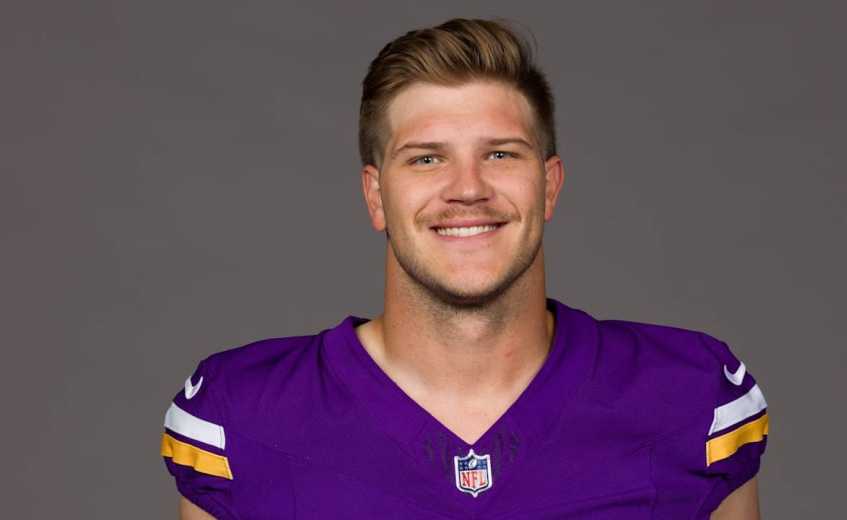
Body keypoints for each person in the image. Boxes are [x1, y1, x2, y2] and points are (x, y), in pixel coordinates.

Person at [161, 17, 768, 519]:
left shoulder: (687, 396)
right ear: (376, 197)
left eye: (500, 153)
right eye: (426, 159)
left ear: (549, 186)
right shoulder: (245, 413)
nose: (467, 189)